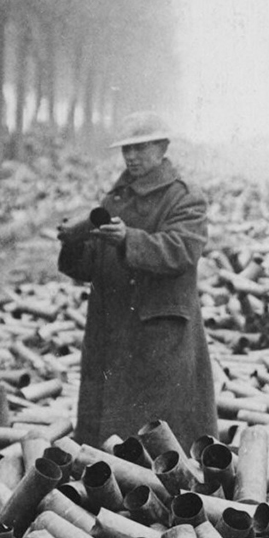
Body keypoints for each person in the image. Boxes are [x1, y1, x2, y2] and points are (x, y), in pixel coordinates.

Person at [57, 111, 218, 451]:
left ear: (162, 148)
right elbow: (94, 265)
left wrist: (128, 239)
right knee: (113, 436)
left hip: (159, 332)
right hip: (113, 329)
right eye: (126, 149)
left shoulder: (184, 197)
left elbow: (181, 250)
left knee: (165, 435)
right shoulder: (114, 200)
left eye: (140, 148)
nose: (131, 156)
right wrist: (73, 245)